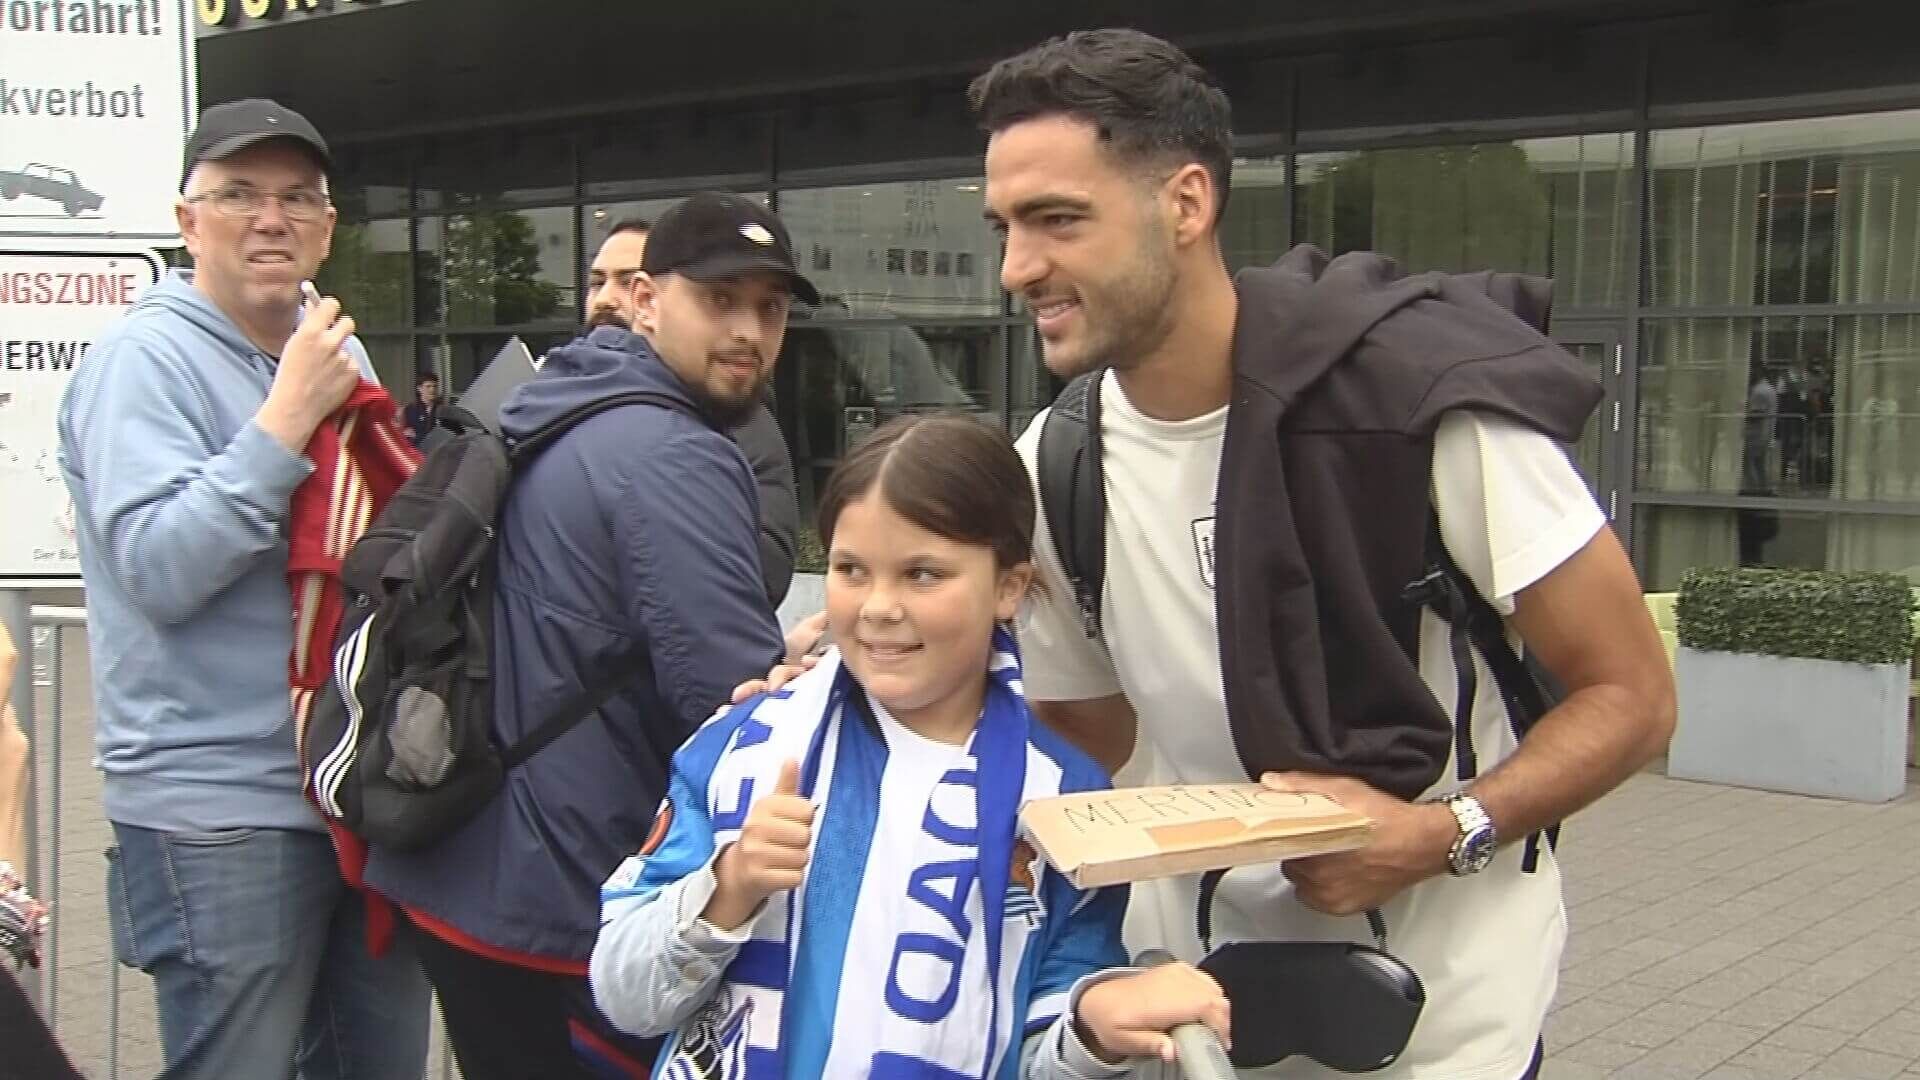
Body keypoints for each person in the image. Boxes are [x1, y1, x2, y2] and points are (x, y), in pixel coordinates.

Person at [968, 30, 1675, 1079]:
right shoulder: (1055, 462)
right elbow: (1086, 732)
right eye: (1005, 228)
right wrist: (875, 674)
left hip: (1448, 1023)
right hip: (1195, 1014)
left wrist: (1444, 831)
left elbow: (1632, 695)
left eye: (1057, 221)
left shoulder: (1424, 407)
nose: (1019, 268)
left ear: (1188, 202)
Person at [593, 413, 1230, 1078]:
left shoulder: (1065, 802)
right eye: (850, 569)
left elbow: (1041, 1048)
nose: (878, 607)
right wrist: (727, 887)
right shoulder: (741, 747)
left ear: (1009, 586)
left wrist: (1091, 1032)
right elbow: (622, 992)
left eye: (922, 574)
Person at [362, 192, 809, 1079]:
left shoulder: (551, 399)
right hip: (560, 893)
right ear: (645, 301)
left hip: (466, 857)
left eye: (770, 308)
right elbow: (729, 701)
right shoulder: (677, 454)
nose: (749, 331)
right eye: (721, 300)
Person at [55, 98, 430, 1079]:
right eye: (239, 195)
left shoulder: (331, 349)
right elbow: (160, 570)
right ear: (189, 223)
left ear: (329, 224)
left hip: (351, 791)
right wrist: (280, 424)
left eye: (298, 197)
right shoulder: (142, 362)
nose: (273, 218)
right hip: (215, 810)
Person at [587, 215, 803, 607]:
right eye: (597, 282)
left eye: (624, 279)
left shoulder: (736, 422)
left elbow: (748, 588)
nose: (605, 299)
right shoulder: (551, 410)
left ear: (650, 298)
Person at [401, 369, 441, 447]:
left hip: (438, 451)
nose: (432, 390)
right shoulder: (411, 409)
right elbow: (407, 433)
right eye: (428, 386)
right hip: (418, 451)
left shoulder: (443, 410)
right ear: (419, 388)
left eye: (435, 386)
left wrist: (417, 436)